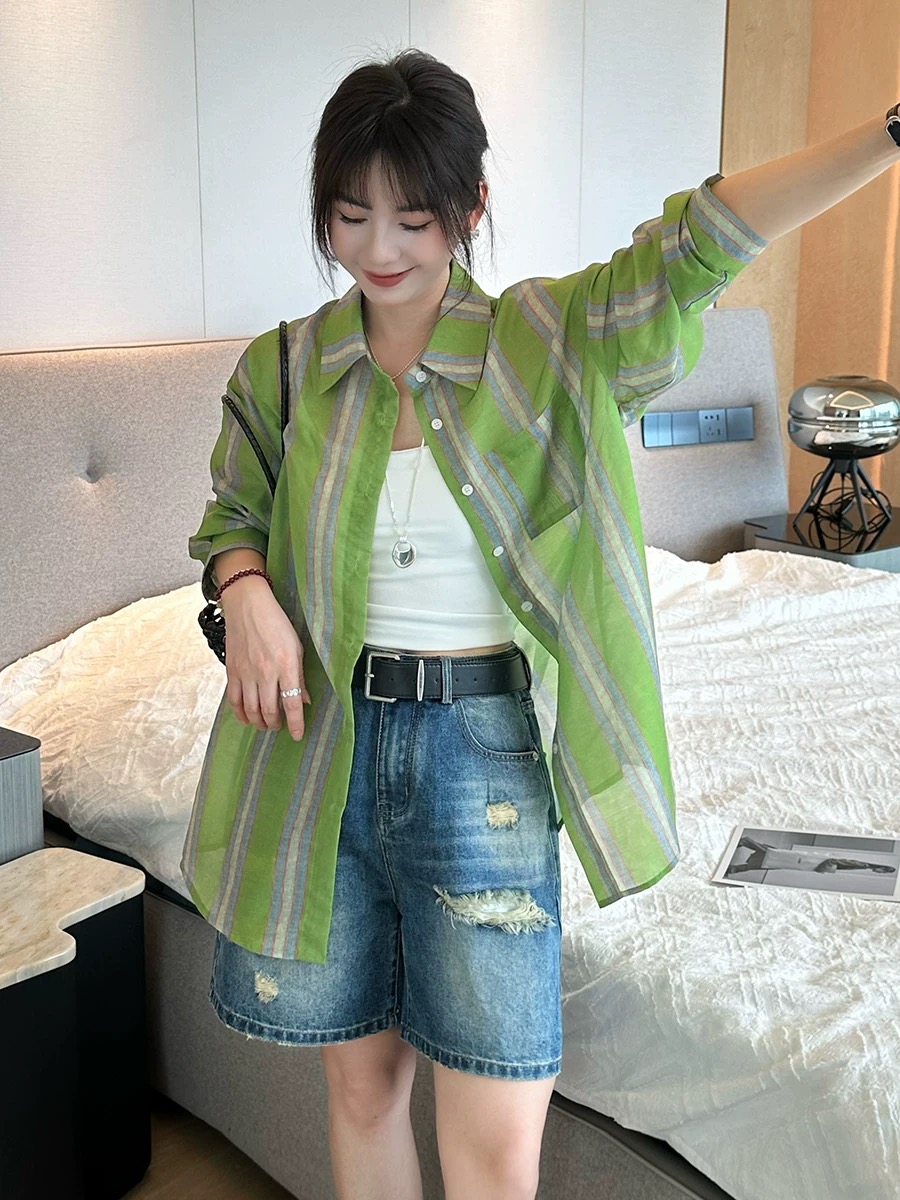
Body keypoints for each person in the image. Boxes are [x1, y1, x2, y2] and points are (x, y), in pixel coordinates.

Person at [184, 47, 900, 1200]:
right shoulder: (285, 368)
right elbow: (232, 514)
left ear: (471, 207)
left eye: (413, 217)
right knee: (362, 1092)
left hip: (484, 762)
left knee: (495, 1137)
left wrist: (887, 133)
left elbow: (703, 242)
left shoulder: (550, 338)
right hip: (323, 753)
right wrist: (246, 590)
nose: (378, 248)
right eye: (351, 214)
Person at [727, 835, 898, 876]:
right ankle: (745, 846)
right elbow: (834, 861)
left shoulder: (864, 867)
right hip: (810, 862)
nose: (881, 872)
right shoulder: (863, 865)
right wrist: (822, 869)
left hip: (807, 863)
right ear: (882, 868)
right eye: (884, 870)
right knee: (772, 856)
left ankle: (738, 864)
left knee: (772, 859)